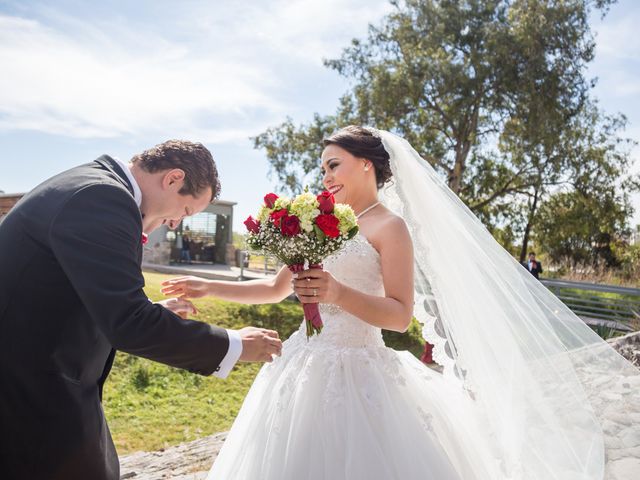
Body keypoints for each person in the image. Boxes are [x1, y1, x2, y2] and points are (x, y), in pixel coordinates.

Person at [162, 127, 640, 479]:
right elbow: (273, 289)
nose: (324, 175)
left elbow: (399, 315)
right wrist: (209, 287)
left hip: (361, 371)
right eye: (323, 166)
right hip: (302, 365)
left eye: (334, 164)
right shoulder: (319, 221)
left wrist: (339, 293)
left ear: (366, 164)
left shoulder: (390, 228)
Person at [0, 140, 282, 480]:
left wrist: (147, 309)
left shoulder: (94, 187)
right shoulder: (103, 199)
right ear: (173, 179)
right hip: (30, 390)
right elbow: (130, 323)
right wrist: (234, 344)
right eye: (187, 211)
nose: (177, 223)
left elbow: (76, 295)